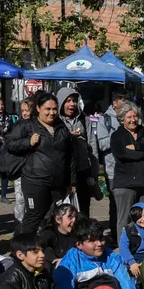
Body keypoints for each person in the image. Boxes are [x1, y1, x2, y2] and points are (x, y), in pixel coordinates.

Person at [5, 91, 76, 235]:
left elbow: (70, 155)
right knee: (33, 217)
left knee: (52, 217)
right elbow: (9, 143)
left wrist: (72, 180)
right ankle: (22, 250)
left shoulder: (61, 127)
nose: (52, 113)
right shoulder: (27, 126)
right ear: (38, 108)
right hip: (34, 181)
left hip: (57, 182)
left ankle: (45, 248)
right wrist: (28, 142)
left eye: (54, 109)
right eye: (48, 109)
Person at [110, 100, 144, 239]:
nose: (133, 120)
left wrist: (137, 147)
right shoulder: (117, 136)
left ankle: (143, 247)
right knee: (124, 219)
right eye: (129, 117)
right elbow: (122, 154)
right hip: (125, 183)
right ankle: (124, 252)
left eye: (135, 116)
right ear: (122, 119)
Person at [58, 88, 100, 217]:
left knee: (83, 208)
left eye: (74, 101)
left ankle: (83, 234)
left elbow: (93, 146)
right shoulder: (56, 121)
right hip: (63, 171)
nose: (72, 104)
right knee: (64, 209)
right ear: (61, 102)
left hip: (82, 170)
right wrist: (68, 136)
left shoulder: (84, 119)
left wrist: (94, 173)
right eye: (68, 101)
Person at [90, 91, 126, 235]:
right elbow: (102, 145)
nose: (125, 104)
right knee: (116, 203)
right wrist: (117, 134)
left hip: (129, 167)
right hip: (113, 168)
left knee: (128, 203)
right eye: (122, 100)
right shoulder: (105, 120)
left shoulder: (131, 117)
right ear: (115, 103)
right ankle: (114, 232)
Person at [119, 202, 144, 279]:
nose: (143, 219)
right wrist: (132, 263)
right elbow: (123, 248)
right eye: (139, 217)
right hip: (133, 256)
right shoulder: (128, 230)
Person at [38, 203, 78, 269]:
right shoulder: (49, 233)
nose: (74, 220)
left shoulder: (77, 233)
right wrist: (54, 260)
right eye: (70, 217)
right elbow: (38, 248)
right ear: (58, 219)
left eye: (75, 217)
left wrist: (65, 260)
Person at [0, 96, 15, 203]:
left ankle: (3, 196)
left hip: (4, 146)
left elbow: (11, 132)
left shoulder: (8, 118)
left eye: (2, 104)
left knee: (4, 171)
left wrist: (3, 139)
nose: (1, 107)